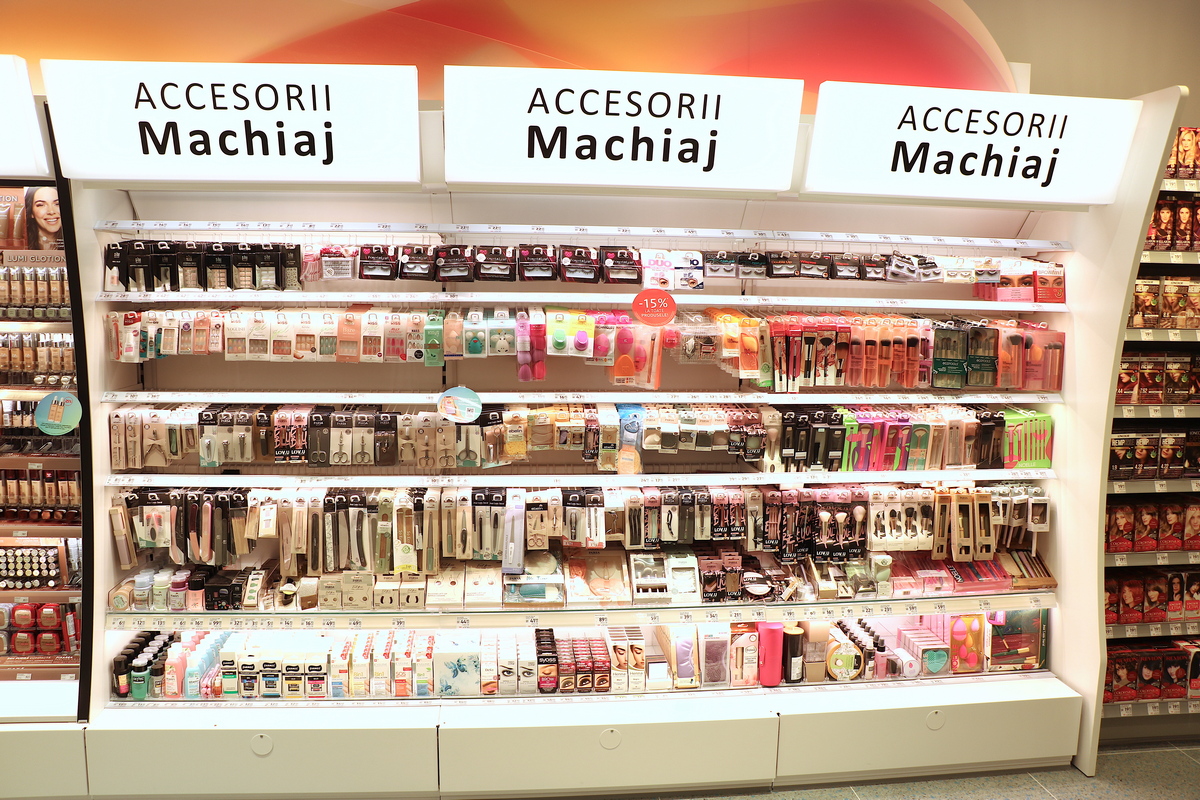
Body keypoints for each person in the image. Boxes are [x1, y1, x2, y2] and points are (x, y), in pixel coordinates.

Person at [23, 186, 62, 251]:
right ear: (31, 212)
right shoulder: (23, 244)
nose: (51, 211)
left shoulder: (76, 240)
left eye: (57, 204)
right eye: (41, 205)